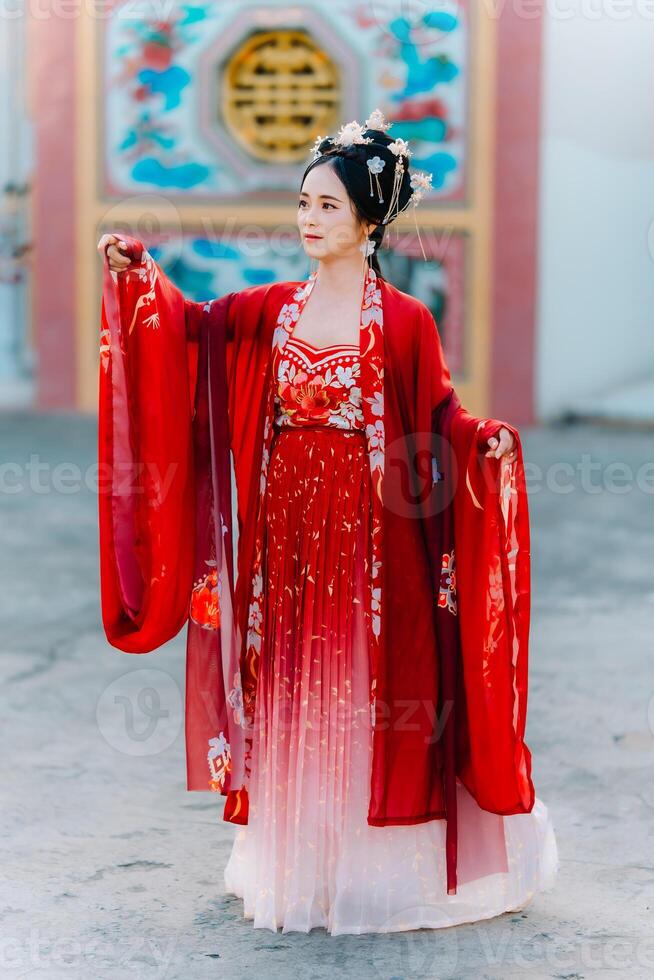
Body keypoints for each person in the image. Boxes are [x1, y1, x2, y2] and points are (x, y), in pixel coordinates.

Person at [97, 109, 558, 936]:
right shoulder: (268, 310)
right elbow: (186, 332)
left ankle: (372, 872)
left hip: (375, 539)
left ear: (370, 223)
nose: (309, 221)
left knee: (363, 688)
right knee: (293, 685)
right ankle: (297, 861)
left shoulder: (406, 324)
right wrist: (140, 278)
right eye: (304, 203)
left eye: (328, 208)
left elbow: (440, 414)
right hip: (285, 537)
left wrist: (483, 444)